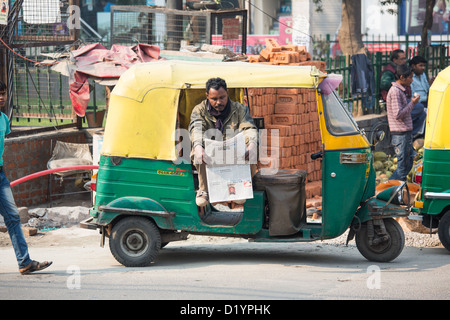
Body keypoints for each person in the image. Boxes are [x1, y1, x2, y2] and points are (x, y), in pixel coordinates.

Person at [0, 81, 52, 274]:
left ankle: (24, 262)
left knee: (13, 217)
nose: (1, 97)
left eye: (3, 93)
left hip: (0, 175)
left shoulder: (4, 119)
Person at [189, 78, 258, 207]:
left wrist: (252, 145)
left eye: (222, 97)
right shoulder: (199, 110)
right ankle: (204, 189)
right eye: (214, 99)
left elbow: (249, 128)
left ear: (227, 93)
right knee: (195, 150)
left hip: (234, 152)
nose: (219, 102)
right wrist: (198, 146)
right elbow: (196, 129)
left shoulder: (240, 109)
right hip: (212, 153)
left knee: (253, 149)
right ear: (207, 96)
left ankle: (242, 187)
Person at [386, 64, 421, 181]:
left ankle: (391, 186)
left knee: (408, 164)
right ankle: (392, 190)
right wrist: (412, 103)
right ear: (402, 77)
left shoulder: (400, 91)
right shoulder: (395, 91)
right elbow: (398, 114)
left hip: (405, 134)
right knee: (402, 168)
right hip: (400, 135)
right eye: (410, 77)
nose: (412, 80)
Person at [409, 55, 429, 138]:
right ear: (413, 66)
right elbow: (412, 95)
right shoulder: (410, 77)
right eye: (420, 65)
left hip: (427, 101)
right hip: (417, 104)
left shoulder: (423, 75)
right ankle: (416, 135)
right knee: (426, 113)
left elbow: (427, 88)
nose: (423, 68)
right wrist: (426, 98)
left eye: (424, 66)